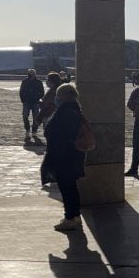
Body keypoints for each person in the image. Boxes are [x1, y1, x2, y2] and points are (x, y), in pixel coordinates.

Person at [43, 83, 87, 231]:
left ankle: (70, 218)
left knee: (67, 188)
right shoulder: (74, 110)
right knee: (71, 187)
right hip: (72, 155)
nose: (56, 98)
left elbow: (59, 134)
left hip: (64, 156)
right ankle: (75, 216)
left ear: (64, 97)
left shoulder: (65, 112)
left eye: (58, 95)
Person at [19, 68, 45, 143]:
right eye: (29, 73)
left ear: (35, 74)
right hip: (26, 102)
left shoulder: (39, 82)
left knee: (36, 118)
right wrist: (23, 100)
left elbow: (42, 92)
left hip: (35, 102)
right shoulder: (24, 81)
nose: (30, 75)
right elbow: (21, 91)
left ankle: (34, 132)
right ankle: (27, 130)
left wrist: (38, 98)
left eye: (32, 73)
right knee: (25, 116)